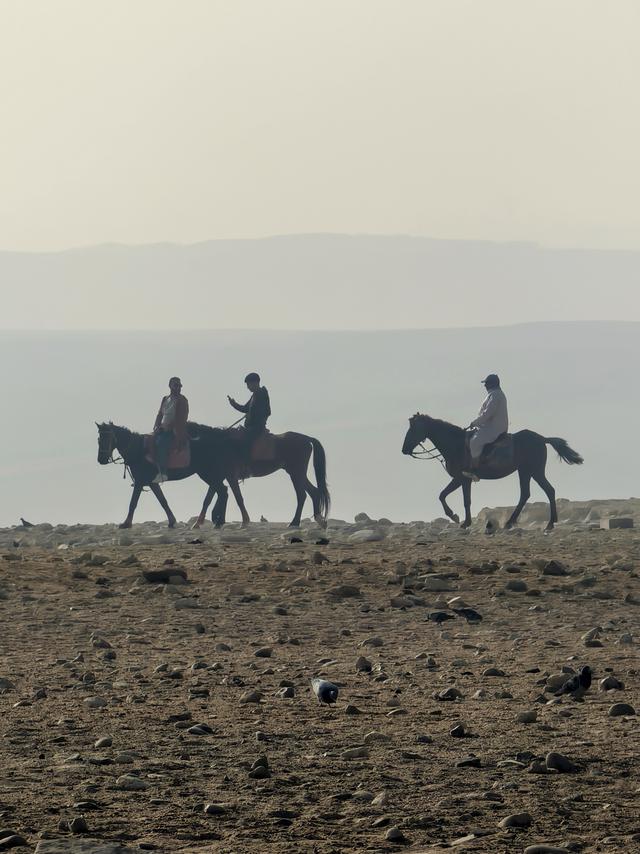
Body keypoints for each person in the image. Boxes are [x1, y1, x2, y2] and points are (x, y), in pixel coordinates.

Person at [463, 374, 508, 481]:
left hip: (494, 428)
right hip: (489, 426)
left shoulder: (495, 395)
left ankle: (474, 470)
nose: (485, 386)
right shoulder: (493, 394)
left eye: (486, 383)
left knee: (474, 442)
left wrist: (475, 423)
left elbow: (488, 413)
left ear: (492, 384)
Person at [153, 377, 189, 483]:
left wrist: (170, 426)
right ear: (170, 386)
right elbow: (160, 414)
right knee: (148, 441)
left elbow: (182, 417)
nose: (178, 388)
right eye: (176, 386)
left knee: (161, 443)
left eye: (179, 386)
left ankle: (163, 473)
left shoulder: (182, 400)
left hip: (174, 431)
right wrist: (156, 426)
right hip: (162, 428)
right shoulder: (165, 399)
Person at [227, 373, 271, 456]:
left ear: (255, 383)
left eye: (248, 384)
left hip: (257, 428)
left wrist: (251, 415)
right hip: (251, 427)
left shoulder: (261, 393)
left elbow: (265, 412)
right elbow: (245, 409)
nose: (248, 387)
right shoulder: (254, 396)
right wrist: (234, 404)